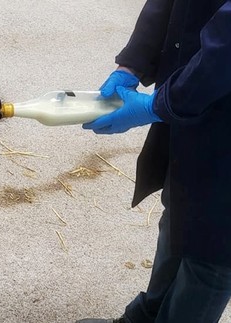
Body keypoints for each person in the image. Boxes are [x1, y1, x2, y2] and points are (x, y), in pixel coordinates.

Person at [77, 1, 231, 322]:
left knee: (214, 251)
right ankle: (146, 316)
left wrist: (162, 104)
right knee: (181, 212)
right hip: (196, 92)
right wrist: (131, 64)